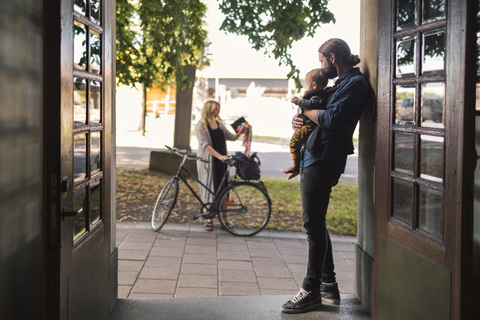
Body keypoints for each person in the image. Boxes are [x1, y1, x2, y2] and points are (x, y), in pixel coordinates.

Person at [281, 38, 372, 314]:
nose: (321, 66)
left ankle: (310, 289)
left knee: (312, 224)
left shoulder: (355, 84)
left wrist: (305, 109)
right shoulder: (338, 85)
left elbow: (331, 120)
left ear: (332, 58)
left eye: (322, 60)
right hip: (313, 155)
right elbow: (318, 114)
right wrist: (301, 119)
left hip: (325, 158)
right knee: (316, 222)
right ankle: (328, 285)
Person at [196, 100, 244, 231]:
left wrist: (241, 131)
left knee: (224, 192)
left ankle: (225, 221)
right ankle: (209, 219)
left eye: (218, 109)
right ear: (209, 110)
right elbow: (205, 145)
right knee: (209, 190)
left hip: (222, 163)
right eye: (215, 109)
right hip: (209, 164)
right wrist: (219, 156)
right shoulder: (201, 126)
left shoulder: (220, 125)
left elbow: (231, 137)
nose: (218, 112)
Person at [282, 68, 337, 180]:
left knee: (294, 143)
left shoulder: (318, 96)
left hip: (309, 126)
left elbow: (311, 104)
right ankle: (297, 165)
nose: (306, 88)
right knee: (297, 144)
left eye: (307, 85)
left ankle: (295, 166)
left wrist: (297, 101)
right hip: (306, 124)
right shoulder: (318, 94)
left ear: (314, 85)